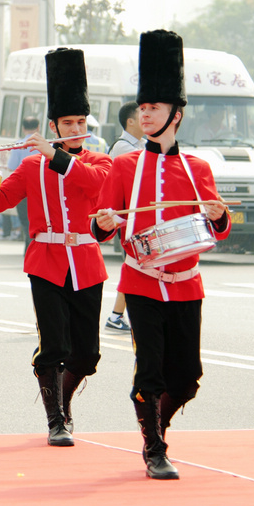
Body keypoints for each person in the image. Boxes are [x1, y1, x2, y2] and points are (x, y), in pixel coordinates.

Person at [92, 30, 231, 481]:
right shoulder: (125, 165)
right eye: (142, 107)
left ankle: (156, 424)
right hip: (141, 281)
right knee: (148, 369)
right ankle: (154, 447)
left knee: (187, 377)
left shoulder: (198, 168)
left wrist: (219, 215)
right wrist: (105, 223)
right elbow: (98, 225)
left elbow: (217, 230)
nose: (144, 114)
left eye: (153, 107)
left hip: (187, 281)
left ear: (177, 113)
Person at [0, 48, 112, 447]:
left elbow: (95, 185)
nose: (75, 128)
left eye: (81, 122)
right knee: (54, 345)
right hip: (46, 261)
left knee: (87, 355)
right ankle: (56, 420)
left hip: (86, 261)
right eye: (67, 122)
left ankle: (63, 400)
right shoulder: (33, 165)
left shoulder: (99, 161)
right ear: (54, 124)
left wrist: (56, 156)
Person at [105, 101, 144, 333]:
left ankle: (116, 314)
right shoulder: (124, 148)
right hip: (127, 218)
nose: (147, 117)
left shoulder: (138, 144)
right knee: (134, 265)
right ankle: (116, 315)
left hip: (133, 216)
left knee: (134, 265)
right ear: (130, 121)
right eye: (143, 113)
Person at [7, 117, 40, 250]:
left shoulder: (19, 145)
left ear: (23, 128)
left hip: (23, 189)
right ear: (38, 128)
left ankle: (29, 248)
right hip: (40, 188)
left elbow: (11, 166)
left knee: (26, 220)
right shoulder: (44, 144)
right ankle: (33, 247)